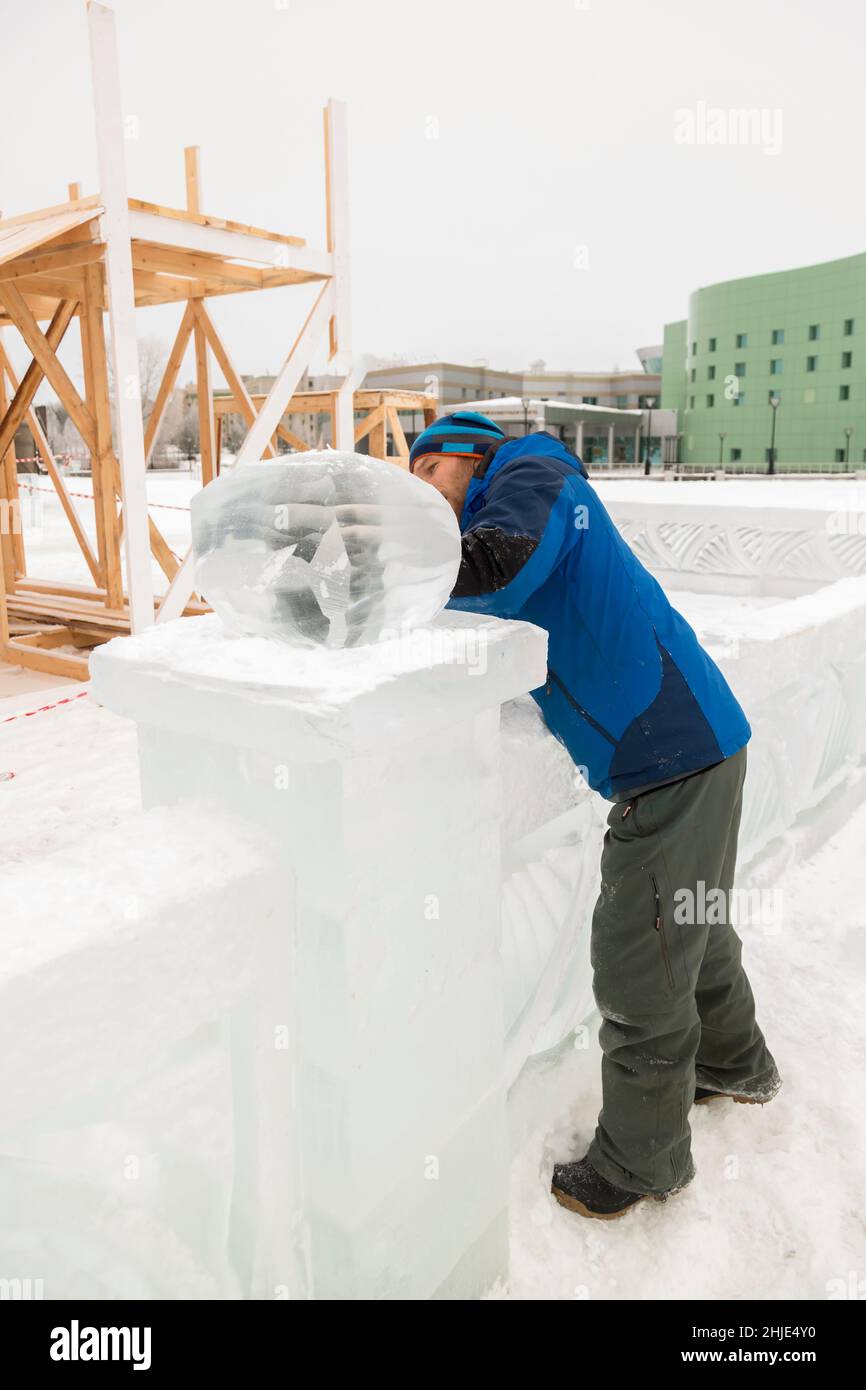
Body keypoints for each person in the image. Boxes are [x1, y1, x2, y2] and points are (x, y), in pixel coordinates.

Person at [409, 410, 781, 1221]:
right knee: (695, 925)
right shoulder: (508, 499)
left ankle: (644, 1161)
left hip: (670, 756)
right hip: (695, 742)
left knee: (639, 959)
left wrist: (394, 560)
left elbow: (502, 567)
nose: (420, 494)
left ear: (469, 454)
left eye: (425, 471)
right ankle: (736, 1062)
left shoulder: (531, 468)